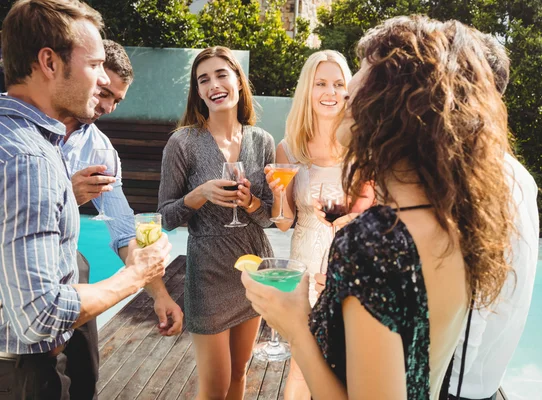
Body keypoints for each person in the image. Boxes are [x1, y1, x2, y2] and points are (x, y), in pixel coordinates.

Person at [243, 15, 515, 399]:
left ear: (395, 102)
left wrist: (295, 327)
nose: (348, 87)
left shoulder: (373, 244)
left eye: (364, 72)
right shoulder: (457, 220)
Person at [0, 1, 171, 399]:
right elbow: (40, 315)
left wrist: (157, 292)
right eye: (94, 66)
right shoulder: (31, 157)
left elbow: (120, 223)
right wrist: (135, 277)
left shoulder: (43, 142)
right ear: (49, 62)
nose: (99, 87)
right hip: (23, 367)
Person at [59, 39, 183, 400]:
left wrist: (160, 295)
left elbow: (123, 231)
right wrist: (67, 194)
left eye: (117, 100)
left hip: (70, 273)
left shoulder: (98, 150)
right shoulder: (17, 130)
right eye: (103, 92)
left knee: (84, 380)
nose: (108, 106)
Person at [158, 46, 275, 400]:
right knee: (215, 384)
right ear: (198, 91)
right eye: (203, 79)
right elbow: (165, 216)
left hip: (252, 266)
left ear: (238, 80)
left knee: (240, 373)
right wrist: (200, 194)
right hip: (208, 270)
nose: (213, 84)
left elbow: (268, 216)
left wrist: (251, 201)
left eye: (221, 74)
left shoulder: (262, 141)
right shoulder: (183, 142)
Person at [264, 50, 371, 400]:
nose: (330, 91)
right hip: (306, 266)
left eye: (339, 84)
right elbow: (283, 223)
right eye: (321, 83)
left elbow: (379, 214)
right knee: (302, 364)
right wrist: (278, 194)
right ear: (307, 90)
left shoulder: (364, 146)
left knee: (346, 363)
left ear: (349, 90)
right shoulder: (289, 147)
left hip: (351, 266)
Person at [448, 28, 539, 400]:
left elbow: (475, 308)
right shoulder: (511, 171)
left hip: (455, 386)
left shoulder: (482, 179)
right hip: (475, 382)